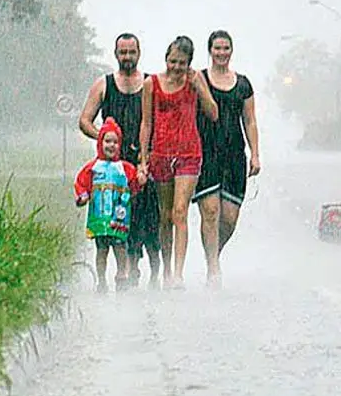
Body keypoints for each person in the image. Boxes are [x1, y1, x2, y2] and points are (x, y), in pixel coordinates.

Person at [78, 33, 162, 289]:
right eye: (123, 52)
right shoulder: (104, 85)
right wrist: (105, 139)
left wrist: (147, 157)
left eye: (131, 52)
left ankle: (143, 269)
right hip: (112, 169)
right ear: (116, 54)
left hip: (142, 163)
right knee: (115, 219)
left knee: (145, 219)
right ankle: (120, 272)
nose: (127, 57)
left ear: (139, 53)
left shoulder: (150, 83)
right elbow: (84, 120)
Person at [138, 35, 218, 290]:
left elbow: (213, 113)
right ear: (166, 59)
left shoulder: (195, 81)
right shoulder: (152, 83)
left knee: (180, 212)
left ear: (189, 63)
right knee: (165, 215)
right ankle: (167, 267)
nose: (176, 67)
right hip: (161, 153)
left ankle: (178, 275)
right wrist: (143, 158)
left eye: (181, 63)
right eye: (172, 61)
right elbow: (146, 122)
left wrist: (199, 87)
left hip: (188, 153)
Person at [192, 30, 260, 287]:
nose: (221, 53)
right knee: (210, 212)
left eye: (226, 48)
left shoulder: (243, 84)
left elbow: (250, 120)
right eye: (217, 48)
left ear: (231, 51)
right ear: (210, 50)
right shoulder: (199, 79)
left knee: (229, 218)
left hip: (234, 156)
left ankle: (214, 254)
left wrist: (255, 153)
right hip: (206, 154)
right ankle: (213, 269)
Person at [74, 117, 147, 293]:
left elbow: (134, 186)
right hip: (99, 217)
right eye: (107, 141)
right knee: (102, 249)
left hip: (118, 217)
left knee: (120, 247)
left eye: (115, 142)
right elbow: (81, 183)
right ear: (100, 143)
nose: (111, 146)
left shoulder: (125, 168)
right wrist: (82, 196)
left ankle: (121, 275)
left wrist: (140, 180)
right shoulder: (92, 168)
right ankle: (101, 280)